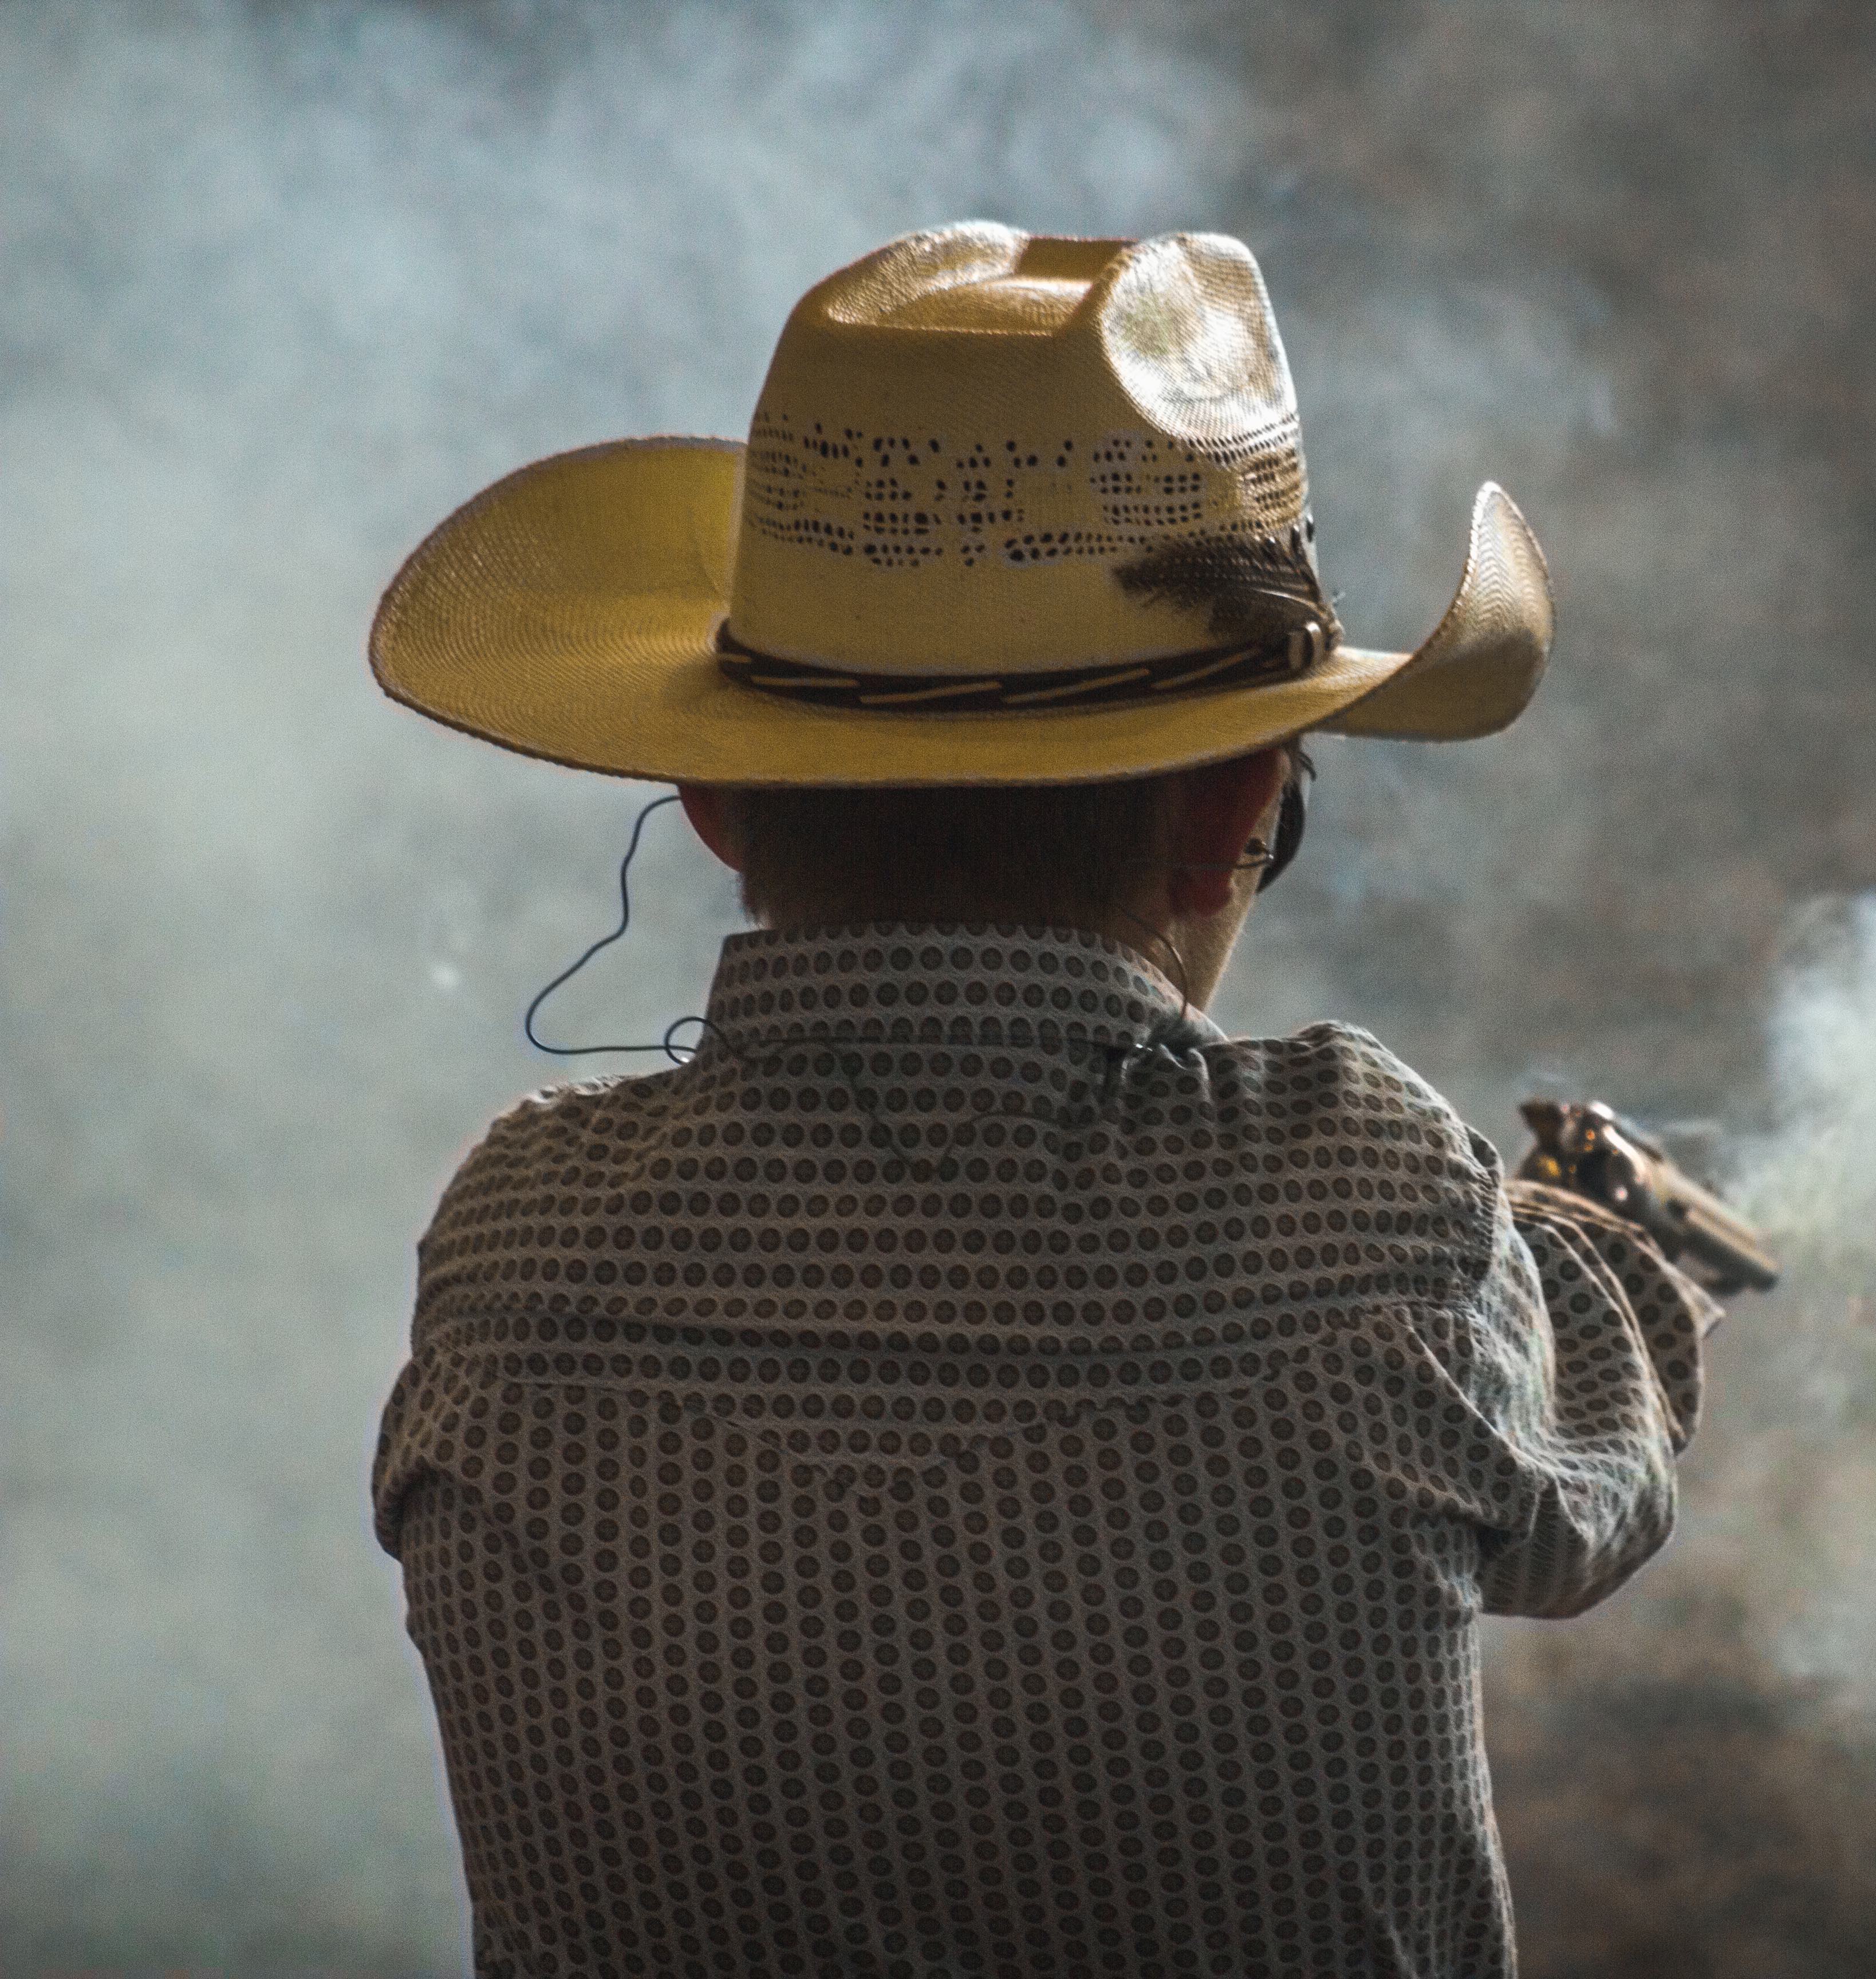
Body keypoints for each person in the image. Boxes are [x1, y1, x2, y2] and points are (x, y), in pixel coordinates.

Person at [366, 222, 1719, 1978]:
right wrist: (1606, 1255)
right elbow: (1586, 1484)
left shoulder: (515, 1244)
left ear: (713, 796)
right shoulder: (1364, 1190)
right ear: (1241, 809)